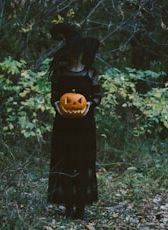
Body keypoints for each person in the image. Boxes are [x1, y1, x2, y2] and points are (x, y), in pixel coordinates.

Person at [47, 22, 102, 221]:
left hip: (84, 125)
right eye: (73, 52)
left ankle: (80, 208)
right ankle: (68, 206)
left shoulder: (90, 74)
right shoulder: (60, 74)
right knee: (66, 162)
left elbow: (97, 96)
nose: (76, 55)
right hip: (64, 124)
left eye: (78, 52)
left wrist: (88, 104)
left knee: (82, 163)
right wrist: (58, 107)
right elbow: (54, 96)